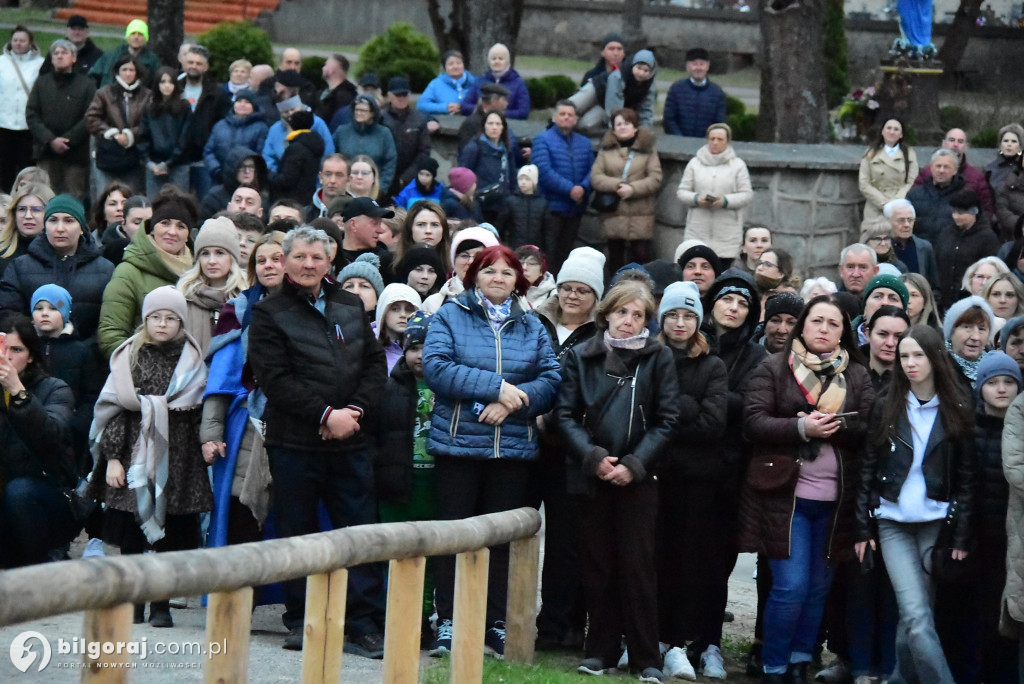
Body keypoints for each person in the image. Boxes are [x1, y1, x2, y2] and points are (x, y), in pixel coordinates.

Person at [247, 226, 388, 654]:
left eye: (317, 257)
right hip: (294, 443)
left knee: (361, 533)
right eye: (300, 257)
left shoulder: (350, 304)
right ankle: (301, 619)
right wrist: (326, 415)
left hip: (352, 441)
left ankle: (362, 623)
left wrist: (353, 413)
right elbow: (275, 379)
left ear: (330, 261)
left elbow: (374, 365)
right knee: (297, 532)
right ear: (286, 260)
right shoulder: (268, 312)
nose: (309, 264)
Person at [423, 245, 560, 658]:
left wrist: (512, 402)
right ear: (474, 277)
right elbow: (437, 367)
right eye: (489, 271)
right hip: (458, 448)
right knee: (453, 537)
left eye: (506, 272)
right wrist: (495, 388)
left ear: (519, 280)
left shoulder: (532, 324)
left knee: (501, 541)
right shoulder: (450, 315)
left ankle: (495, 621)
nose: (498, 278)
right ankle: (449, 619)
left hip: (512, 450)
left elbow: (551, 378)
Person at [742, 293, 874, 683]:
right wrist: (802, 427)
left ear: (843, 332)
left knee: (818, 588)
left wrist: (836, 424)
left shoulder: (857, 374)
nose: (824, 329)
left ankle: (799, 661)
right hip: (787, 498)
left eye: (834, 323)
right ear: (803, 325)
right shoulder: (774, 367)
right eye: (817, 321)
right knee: (791, 586)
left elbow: (869, 426)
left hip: (837, 502)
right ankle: (774, 665)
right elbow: (753, 421)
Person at [553, 279, 678, 682]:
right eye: (622, 312)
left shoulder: (658, 357)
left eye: (637, 315)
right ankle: (600, 650)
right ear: (606, 313)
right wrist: (593, 458)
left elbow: (667, 419)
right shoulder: (581, 355)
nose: (628, 321)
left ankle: (646, 657)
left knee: (638, 566)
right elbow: (565, 415)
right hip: (594, 474)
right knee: (597, 565)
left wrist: (635, 465)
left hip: (639, 477)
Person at [855, 324, 975, 684]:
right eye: (904, 356)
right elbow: (867, 469)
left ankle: (899, 679)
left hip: (936, 523)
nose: (909, 363)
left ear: (935, 357)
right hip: (892, 522)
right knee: (917, 616)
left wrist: (961, 535)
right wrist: (862, 527)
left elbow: (966, 478)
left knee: (917, 616)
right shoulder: (886, 405)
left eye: (917, 355)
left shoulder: (958, 407)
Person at [87, 286, 210, 626]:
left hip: (179, 458)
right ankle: (134, 602)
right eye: (155, 317)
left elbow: (198, 409)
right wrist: (113, 457)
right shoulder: (130, 357)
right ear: (145, 320)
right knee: (132, 534)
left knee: (172, 536)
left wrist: (207, 444)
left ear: (181, 323)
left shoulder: (191, 360)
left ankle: (161, 604)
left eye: (171, 318)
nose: (162, 324)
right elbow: (115, 410)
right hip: (133, 455)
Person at [655, 280, 729, 680]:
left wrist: (671, 411)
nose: (680, 323)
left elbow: (712, 424)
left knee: (687, 561)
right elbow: (641, 416)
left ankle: (677, 641)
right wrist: (687, 408)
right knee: (651, 557)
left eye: (688, 315)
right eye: (672, 315)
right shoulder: (649, 357)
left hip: (696, 481)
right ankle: (648, 637)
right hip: (653, 475)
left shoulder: (712, 365)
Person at [532, 246, 604, 651]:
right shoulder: (534, 320)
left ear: (596, 296)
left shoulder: (601, 334)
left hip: (572, 449)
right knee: (514, 531)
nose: (573, 296)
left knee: (565, 542)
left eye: (583, 290)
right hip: (526, 443)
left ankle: (557, 625)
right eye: (567, 288)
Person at [202, 231, 284, 553]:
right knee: (240, 516)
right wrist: (211, 434)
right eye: (260, 260)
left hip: (294, 424)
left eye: (276, 258)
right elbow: (220, 380)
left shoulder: (315, 309)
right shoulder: (238, 310)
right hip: (244, 426)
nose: (268, 265)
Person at [372, 310, 438, 641]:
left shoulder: (449, 388)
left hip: (435, 486)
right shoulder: (388, 387)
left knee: (429, 558)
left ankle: (422, 619)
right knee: (394, 553)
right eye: (414, 348)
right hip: (397, 486)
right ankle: (394, 617)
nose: (421, 355)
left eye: (429, 347)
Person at [0, 312, 77, 569]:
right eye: (3, 348)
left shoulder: (56, 389)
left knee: (19, 491)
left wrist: (18, 392)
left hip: (48, 496)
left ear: (31, 356)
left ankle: (43, 566)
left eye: (16, 350)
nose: (7, 357)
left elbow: (50, 436)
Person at [98, 190, 197, 357]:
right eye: (165, 223)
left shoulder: (197, 272)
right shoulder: (128, 272)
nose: (172, 232)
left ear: (188, 235)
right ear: (152, 228)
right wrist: (146, 366)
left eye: (181, 226)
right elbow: (111, 334)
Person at [0, 195, 114, 340]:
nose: (60, 229)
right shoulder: (20, 267)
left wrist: (84, 350)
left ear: (81, 228)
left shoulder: (105, 270)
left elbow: (110, 322)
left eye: (69, 221)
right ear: (45, 226)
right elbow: (8, 314)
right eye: (53, 220)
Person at [591, 108, 663, 275]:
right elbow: (596, 177)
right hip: (614, 212)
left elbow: (655, 177)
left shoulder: (648, 150)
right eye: (618, 124)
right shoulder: (605, 150)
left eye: (627, 123)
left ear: (635, 127)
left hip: (641, 212)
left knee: (641, 255)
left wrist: (633, 189)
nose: (622, 127)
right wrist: (617, 185)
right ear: (613, 129)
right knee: (615, 257)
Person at [25, 40, 95, 199]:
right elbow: (32, 114)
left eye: (64, 52)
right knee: (44, 195)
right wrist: (50, 140)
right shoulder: (42, 83)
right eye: (55, 53)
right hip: (46, 152)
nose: (59, 56)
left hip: (75, 154)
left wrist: (68, 140)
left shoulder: (87, 84)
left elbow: (90, 116)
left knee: (74, 197)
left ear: (74, 58)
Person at [677, 122, 753, 265]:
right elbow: (682, 191)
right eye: (712, 139)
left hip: (727, 232)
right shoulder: (694, 163)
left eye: (720, 139)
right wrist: (696, 199)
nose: (715, 142)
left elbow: (746, 194)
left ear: (727, 141)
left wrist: (725, 201)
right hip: (698, 228)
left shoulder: (738, 165)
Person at [532, 101, 595, 272]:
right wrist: (570, 189)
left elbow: (592, 170)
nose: (566, 117)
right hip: (552, 208)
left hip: (576, 208)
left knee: (567, 253)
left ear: (575, 119)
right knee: (549, 254)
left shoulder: (584, 142)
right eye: (562, 114)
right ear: (554, 117)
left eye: (570, 115)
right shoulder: (543, 139)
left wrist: (583, 188)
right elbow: (544, 171)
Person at [176, 217, 247, 357]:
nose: (211, 261)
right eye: (205, 253)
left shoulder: (246, 299)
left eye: (220, 253)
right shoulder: (184, 297)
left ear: (232, 257)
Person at [85, 54, 151, 195]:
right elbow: (91, 118)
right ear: (117, 72)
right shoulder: (104, 93)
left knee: (132, 195)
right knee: (105, 194)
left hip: (135, 155)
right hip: (108, 153)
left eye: (131, 70)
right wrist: (111, 133)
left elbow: (150, 122)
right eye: (124, 69)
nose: (128, 73)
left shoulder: (146, 95)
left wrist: (130, 135)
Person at [935, 189, 1001, 310]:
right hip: (944, 302)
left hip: (972, 304)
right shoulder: (946, 233)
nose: (956, 216)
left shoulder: (987, 238)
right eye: (954, 211)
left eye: (961, 212)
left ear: (974, 212)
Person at [914, 127, 995, 221]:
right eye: (951, 140)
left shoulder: (976, 177)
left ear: (966, 147)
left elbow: (986, 211)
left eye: (960, 141)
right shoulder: (927, 172)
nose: (955, 145)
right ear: (943, 143)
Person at [458, 109, 522, 226]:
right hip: (480, 206)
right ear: (484, 126)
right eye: (490, 123)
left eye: (498, 124)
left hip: (502, 207)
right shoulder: (474, 148)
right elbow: (463, 176)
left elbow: (512, 178)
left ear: (503, 127)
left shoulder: (507, 150)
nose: (494, 127)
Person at [0, 26, 44, 191]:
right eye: (15, 40)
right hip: (4, 124)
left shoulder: (40, 64)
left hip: (28, 127)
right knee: (5, 168)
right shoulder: (1, 62)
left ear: (30, 43)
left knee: (27, 168)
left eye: (22, 41)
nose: (18, 44)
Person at [332, 95, 397, 198]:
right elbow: (333, 158)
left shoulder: (384, 133)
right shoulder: (341, 132)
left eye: (363, 110)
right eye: (356, 110)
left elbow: (390, 162)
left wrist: (381, 188)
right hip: (346, 190)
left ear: (372, 113)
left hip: (374, 191)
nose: (359, 113)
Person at [423, 226, 500, 313]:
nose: (471, 262)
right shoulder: (434, 304)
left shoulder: (506, 302)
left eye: (478, 256)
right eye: (464, 256)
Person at [858, 118, 919, 227]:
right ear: (882, 131)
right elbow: (864, 183)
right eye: (889, 128)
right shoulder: (870, 153)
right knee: (874, 234)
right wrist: (883, 203)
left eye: (896, 129)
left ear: (901, 134)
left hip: (900, 205)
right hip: (875, 206)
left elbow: (912, 181)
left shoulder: (909, 154)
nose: (892, 132)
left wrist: (896, 202)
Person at [203, 89, 269, 187]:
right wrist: (216, 169)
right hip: (219, 180)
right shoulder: (220, 125)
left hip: (247, 181)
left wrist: (246, 172)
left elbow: (260, 155)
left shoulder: (261, 128)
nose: (242, 104)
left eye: (247, 102)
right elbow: (209, 151)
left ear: (253, 106)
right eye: (239, 101)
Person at [380, 76, 431, 197]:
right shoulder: (380, 118)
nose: (402, 98)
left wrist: (407, 176)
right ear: (389, 95)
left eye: (405, 94)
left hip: (410, 180)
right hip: (383, 178)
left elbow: (424, 151)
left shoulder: (419, 119)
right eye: (398, 95)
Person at [906, 149, 967, 245]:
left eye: (946, 167)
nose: (941, 170)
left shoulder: (965, 197)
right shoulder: (914, 195)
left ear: (955, 170)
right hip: (920, 248)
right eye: (938, 166)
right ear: (931, 168)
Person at [663, 48, 726, 139]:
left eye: (702, 64)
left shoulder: (717, 92)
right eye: (694, 64)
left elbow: (719, 123)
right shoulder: (676, 89)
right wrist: (680, 139)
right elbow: (669, 119)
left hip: (707, 143)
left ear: (707, 67)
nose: (698, 68)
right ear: (688, 67)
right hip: (679, 142)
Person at [267, 110, 325, 204]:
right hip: (306, 199)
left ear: (291, 126)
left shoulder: (296, 149)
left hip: (290, 201)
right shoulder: (314, 144)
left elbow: (286, 180)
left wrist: (267, 173)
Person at [460, 43, 530, 120]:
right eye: (493, 59)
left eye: (501, 59)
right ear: (489, 61)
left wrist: (499, 113)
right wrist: (484, 110)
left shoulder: (519, 84)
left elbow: (523, 112)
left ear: (507, 62)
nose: (497, 61)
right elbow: (465, 105)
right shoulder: (479, 81)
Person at [0, 183, 55, 278]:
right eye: (22, 209)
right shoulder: (2, 253)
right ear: (14, 213)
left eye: (36, 209)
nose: (28, 216)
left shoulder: (63, 252)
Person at [88, 19, 161, 88]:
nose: (136, 37)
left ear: (146, 38)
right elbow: (92, 77)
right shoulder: (111, 56)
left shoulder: (153, 61)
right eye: (133, 33)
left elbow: (158, 84)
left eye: (140, 34)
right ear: (127, 36)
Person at [944, 295, 997, 391]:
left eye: (982, 329)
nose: (976, 337)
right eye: (967, 327)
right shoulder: (939, 366)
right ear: (951, 332)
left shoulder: (996, 366)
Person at [886, 199, 939, 290]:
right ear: (888, 221)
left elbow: (934, 285)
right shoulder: (881, 247)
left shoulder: (924, 247)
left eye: (910, 220)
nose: (907, 225)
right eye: (901, 220)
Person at [392, 200, 451, 278]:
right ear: (410, 228)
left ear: (444, 230)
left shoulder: (453, 267)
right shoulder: (390, 264)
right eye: (420, 224)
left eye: (435, 225)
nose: (428, 231)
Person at [374, 283, 422, 372]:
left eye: (409, 310)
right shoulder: (367, 345)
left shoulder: (424, 349)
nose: (403, 315)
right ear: (383, 312)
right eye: (395, 309)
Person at [502, 164, 551, 251]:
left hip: (535, 250)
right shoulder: (511, 202)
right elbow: (502, 226)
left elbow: (547, 232)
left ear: (534, 181)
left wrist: (548, 254)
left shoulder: (542, 204)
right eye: (520, 179)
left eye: (527, 179)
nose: (523, 182)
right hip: (515, 248)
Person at [603, 52, 658, 128]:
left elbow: (646, 110)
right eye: (639, 68)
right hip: (599, 93)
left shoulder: (650, 85)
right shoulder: (618, 77)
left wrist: (644, 130)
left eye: (646, 70)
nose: (641, 73)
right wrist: (616, 128)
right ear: (633, 65)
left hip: (623, 107)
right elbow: (614, 107)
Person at [863, 305, 911, 392]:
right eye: (882, 334)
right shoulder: (849, 374)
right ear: (867, 334)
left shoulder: (915, 382)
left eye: (898, 336)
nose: (890, 343)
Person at [418, 50, 475, 116]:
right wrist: (445, 107)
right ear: (444, 67)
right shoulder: (435, 84)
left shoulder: (475, 82)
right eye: (451, 64)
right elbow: (421, 105)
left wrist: (468, 108)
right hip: (445, 120)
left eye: (458, 63)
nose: (455, 67)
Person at [985, 123, 1023, 204]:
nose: (1009, 144)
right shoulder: (989, 170)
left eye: (1014, 141)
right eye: (1006, 141)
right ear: (1000, 145)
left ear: (1020, 146)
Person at [317, 54, 356, 124]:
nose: (323, 68)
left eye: (326, 65)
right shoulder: (324, 91)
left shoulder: (344, 96)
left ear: (332, 70)